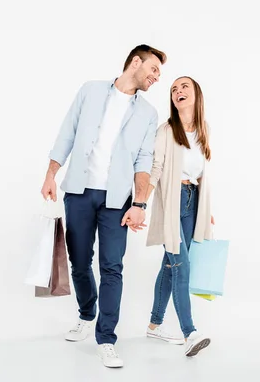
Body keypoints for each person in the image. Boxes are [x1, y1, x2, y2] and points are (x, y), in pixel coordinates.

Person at [41, 44, 167, 368]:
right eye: (153, 69)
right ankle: (86, 314)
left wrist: (139, 203)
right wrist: (51, 174)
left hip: (116, 201)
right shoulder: (91, 91)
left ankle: (107, 338)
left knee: (112, 267)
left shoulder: (148, 114)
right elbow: (67, 132)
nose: (156, 77)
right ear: (135, 62)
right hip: (79, 192)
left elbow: (143, 159)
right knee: (79, 261)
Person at [143, 76, 215, 357]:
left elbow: (202, 174)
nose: (178, 91)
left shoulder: (204, 129)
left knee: (169, 265)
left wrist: (207, 211)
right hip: (171, 202)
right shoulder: (167, 130)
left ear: (196, 94)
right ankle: (190, 333)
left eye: (184, 87)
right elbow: (156, 168)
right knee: (180, 265)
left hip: (193, 201)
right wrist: (140, 204)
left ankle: (154, 324)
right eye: (173, 89)